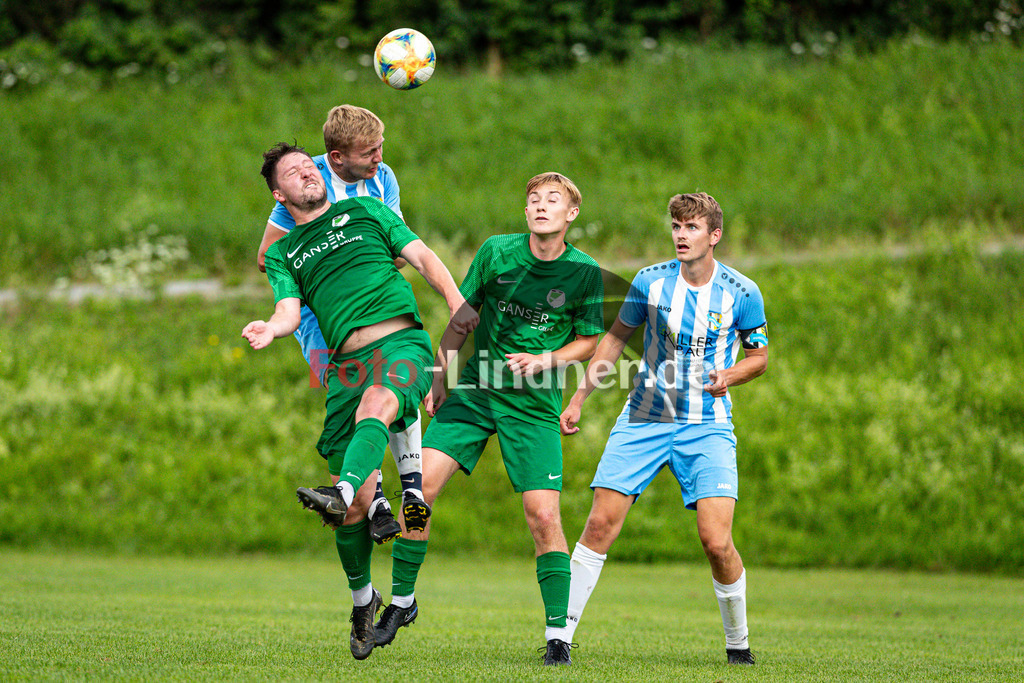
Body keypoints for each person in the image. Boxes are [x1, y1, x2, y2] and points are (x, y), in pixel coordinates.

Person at [242, 142, 478, 660]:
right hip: (346, 371)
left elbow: (421, 254)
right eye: (295, 172)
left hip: (400, 349)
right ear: (279, 194)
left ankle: (405, 594)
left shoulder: (368, 207)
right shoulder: (285, 251)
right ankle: (363, 599)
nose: (309, 172)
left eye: (312, 165)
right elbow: (287, 308)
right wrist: (273, 329)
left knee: (416, 495)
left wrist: (455, 299)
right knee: (356, 513)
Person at [376, 172, 605, 666]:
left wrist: (546, 360)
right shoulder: (497, 252)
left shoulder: (584, 272)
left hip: (534, 407)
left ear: (571, 215)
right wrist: (439, 377)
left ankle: (557, 638)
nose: (541, 206)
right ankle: (401, 602)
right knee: (420, 491)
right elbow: (462, 315)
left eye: (553, 200)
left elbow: (589, 341)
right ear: (525, 212)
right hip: (475, 392)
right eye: (534, 200)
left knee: (543, 516)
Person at [559, 192, 768, 665]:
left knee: (716, 541)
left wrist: (730, 376)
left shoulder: (742, 291)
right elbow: (614, 341)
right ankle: (559, 638)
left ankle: (739, 645)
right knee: (599, 523)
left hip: (707, 426)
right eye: (676, 226)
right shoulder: (650, 282)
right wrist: (578, 399)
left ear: (714, 235)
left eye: (692, 227)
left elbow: (759, 356)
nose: (680, 235)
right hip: (645, 416)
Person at [256, 105, 421, 545]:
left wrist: (368, 262)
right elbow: (267, 255)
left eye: (379, 148)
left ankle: (407, 488)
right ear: (335, 158)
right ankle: (377, 497)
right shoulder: (308, 183)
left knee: (390, 385)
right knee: (353, 402)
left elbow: (399, 240)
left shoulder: (382, 179)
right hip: (319, 319)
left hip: (375, 306)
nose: (379, 158)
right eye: (369, 152)